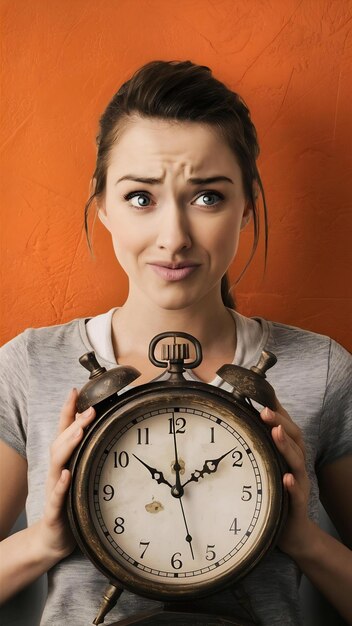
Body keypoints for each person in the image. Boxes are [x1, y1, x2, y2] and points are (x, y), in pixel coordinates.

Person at [0, 60, 351, 626]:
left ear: (246, 206)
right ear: (103, 206)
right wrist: (46, 539)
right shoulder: (29, 367)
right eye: (141, 197)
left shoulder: (323, 370)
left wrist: (302, 538)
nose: (174, 238)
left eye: (207, 197)